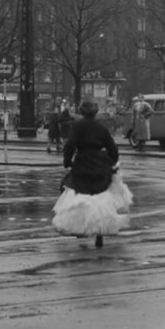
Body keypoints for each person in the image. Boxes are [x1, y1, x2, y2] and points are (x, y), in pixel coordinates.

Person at [52, 100, 133, 249]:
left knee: (72, 191)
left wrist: (67, 161)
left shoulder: (77, 126)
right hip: (100, 164)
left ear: (82, 112)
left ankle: (81, 227)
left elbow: (70, 145)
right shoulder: (101, 127)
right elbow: (113, 149)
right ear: (95, 112)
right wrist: (109, 162)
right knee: (101, 198)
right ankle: (100, 232)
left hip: (82, 163)